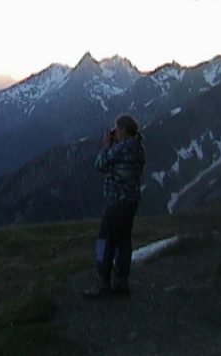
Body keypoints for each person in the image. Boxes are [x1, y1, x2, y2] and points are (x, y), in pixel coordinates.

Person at [83, 114, 146, 298]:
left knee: (104, 241)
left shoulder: (119, 150)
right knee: (124, 242)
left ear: (124, 130)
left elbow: (100, 164)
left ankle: (102, 282)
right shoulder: (139, 149)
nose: (114, 131)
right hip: (131, 202)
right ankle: (122, 281)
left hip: (116, 202)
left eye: (116, 128)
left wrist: (106, 146)